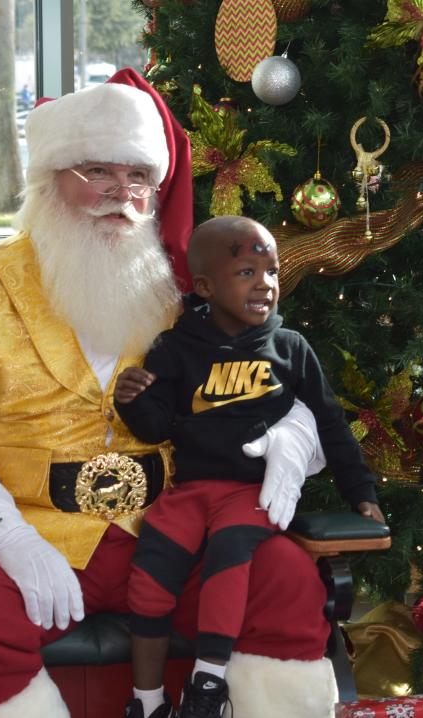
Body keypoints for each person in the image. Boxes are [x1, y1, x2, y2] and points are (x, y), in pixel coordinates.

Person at [0, 70, 341, 718]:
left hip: (172, 529)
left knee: (285, 579)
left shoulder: (184, 295)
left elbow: (277, 378)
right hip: (27, 530)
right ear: (51, 180)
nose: (120, 195)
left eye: (138, 178)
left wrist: (295, 436)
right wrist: (8, 538)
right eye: (97, 172)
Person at [114, 215, 385, 718]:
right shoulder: (174, 349)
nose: (266, 284)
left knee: (231, 552)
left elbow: (331, 426)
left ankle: (208, 686)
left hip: (251, 492)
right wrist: (132, 400)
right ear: (205, 286)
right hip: (192, 490)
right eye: (247, 272)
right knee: (152, 573)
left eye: (273, 272)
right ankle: (147, 701)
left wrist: (362, 494)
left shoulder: (290, 349)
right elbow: (156, 428)